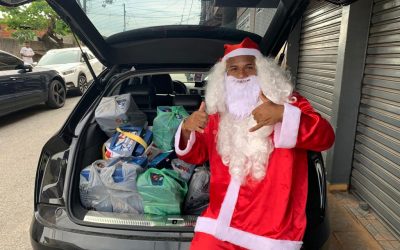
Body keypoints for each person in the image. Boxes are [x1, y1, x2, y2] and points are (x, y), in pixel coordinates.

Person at [174, 38, 335, 250]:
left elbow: (325, 137)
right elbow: (195, 155)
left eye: (249, 67)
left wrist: (282, 115)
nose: (241, 75)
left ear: (262, 71)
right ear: (225, 75)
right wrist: (186, 128)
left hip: (270, 231)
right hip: (220, 221)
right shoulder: (217, 114)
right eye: (234, 69)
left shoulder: (288, 102)